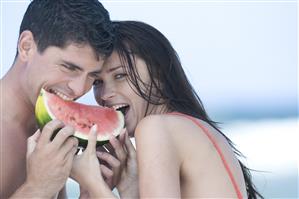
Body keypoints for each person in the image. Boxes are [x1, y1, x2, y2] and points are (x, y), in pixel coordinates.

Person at [70, 20, 263, 198]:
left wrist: (92, 182)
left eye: (120, 76)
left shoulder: (155, 127)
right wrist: (129, 189)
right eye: (97, 82)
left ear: (159, 74)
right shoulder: (188, 127)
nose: (104, 94)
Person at [0, 0, 116, 198]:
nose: (79, 89)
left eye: (92, 77)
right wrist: (37, 187)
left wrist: (90, 192)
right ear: (26, 47)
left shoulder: (49, 128)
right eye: (69, 67)